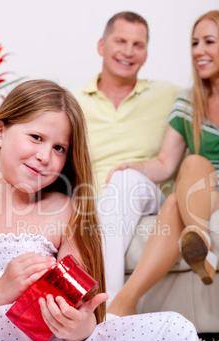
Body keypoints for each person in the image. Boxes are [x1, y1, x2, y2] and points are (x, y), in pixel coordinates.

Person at [0, 79, 215, 341]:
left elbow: (82, 318)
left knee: (174, 330)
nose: (45, 156)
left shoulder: (64, 209)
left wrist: (77, 325)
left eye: (59, 148)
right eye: (36, 138)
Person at [107, 9, 219, 317]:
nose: (199, 50)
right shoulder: (188, 103)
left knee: (183, 190)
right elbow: (164, 163)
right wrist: (133, 168)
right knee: (189, 174)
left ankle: (200, 247)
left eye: (209, 42)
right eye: (194, 42)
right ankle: (123, 302)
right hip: (202, 194)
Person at [73, 11, 182, 304]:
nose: (128, 51)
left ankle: (106, 312)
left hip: (148, 195)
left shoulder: (171, 95)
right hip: (94, 201)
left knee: (126, 180)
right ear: (102, 45)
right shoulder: (72, 101)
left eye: (138, 44)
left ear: (146, 54)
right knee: (110, 195)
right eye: (121, 41)